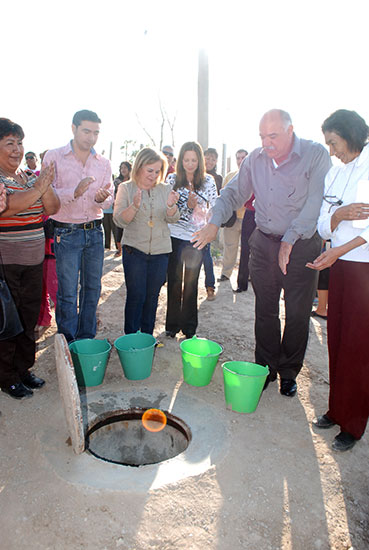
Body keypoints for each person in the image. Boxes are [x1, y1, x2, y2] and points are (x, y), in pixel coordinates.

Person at [192, 109, 331, 397]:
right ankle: (265, 366)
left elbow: (316, 203)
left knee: (297, 312)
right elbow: (232, 193)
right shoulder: (255, 159)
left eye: (273, 136)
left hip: (302, 244)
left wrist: (290, 239)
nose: (267, 143)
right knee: (265, 309)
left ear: (290, 130)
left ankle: (289, 371)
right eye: (262, 136)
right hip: (264, 243)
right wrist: (214, 222)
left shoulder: (315, 155)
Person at [307, 109, 369, 452]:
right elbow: (322, 224)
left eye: (334, 142)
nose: (332, 150)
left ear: (349, 133)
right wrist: (338, 215)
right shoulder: (336, 172)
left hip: (364, 267)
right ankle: (337, 408)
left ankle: (354, 422)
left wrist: (338, 247)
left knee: (359, 347)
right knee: (337, 340)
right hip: (340, 264)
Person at [0, 118, 59, 399]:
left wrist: (42, 185)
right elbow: (9, 208)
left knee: (28, 318)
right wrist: (38, 188)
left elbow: (54, 206)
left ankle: (23, 369)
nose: (16, 149)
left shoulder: (26, 176)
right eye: (9, 143)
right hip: (6, 263)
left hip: (34, 260)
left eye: (19, 143)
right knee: (8, 322)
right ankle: (7, 376)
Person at [42, 110, 113, 343]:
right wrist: (74, 192)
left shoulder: (103, 163)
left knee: (92, 289)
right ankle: (68, 342)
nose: (91, 137)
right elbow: (45, 193)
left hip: (95, 231)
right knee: (68, 293)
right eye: (86, 131)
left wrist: (103, 198)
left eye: (96, 133)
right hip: (66, 232)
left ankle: (86, 340)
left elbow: (110, 195)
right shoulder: (54, 157)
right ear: (73, 128)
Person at [113, 148, 179, 334]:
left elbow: (173, 219)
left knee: (152, 297)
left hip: (160, 252)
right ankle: (131, 339)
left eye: (158, 171)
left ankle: (147, 339)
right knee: (136, 296)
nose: (154, 175)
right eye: (150, 170)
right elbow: (119, 220)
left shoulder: (165, 189)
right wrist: (134, 206)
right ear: (139, 166)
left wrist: (171, 207)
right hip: (134, 251)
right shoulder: (126, 188)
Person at [166, 141, 217, 338]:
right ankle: (171, 326)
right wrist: (186, 205)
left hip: (197, 238)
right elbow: (168, 210)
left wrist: (200, 210)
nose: (190, 164)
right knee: (174, 280)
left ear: (200, 161)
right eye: (186, 160)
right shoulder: (171, 179)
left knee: (192, 282)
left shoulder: (209, 181)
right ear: (181, 161)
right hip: (175, 236)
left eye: (194, 160)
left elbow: (214, 208)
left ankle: (189, 328)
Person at [218, 149, 248, 284]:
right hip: (233, 219)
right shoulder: (229, 177)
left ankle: (247, 275)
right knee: (230, 246)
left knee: (249, 249)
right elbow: (224, 197)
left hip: (249, 218)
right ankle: (226, 273)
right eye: (238, 158)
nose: (241, 161)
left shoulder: (255, 175)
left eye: (244, 158)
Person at [112, 161, 132, 257]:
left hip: (132, 209)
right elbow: (114, 195)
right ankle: (119, 250)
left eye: (125, 168)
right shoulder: (117, 181)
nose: (123, 170)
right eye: (121, 168)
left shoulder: (134, 181)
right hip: (120, 209)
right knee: (119, 230)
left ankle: (128, 250)